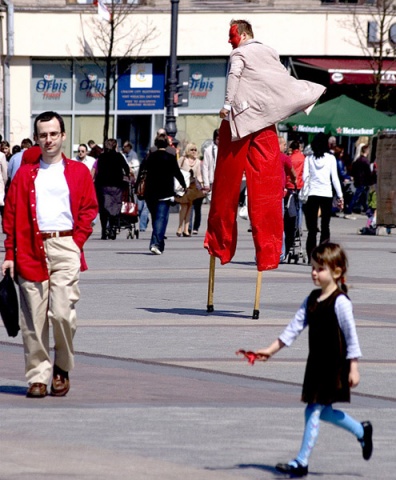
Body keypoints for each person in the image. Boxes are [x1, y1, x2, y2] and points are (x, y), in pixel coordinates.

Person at [204, 19, 325, 272]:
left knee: (226, 188)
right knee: (268, 189)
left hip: (239, 124)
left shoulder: (239, 53)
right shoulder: (270, 51)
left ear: (244, 34)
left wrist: (226, 105)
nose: (229, 41)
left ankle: (220, 245)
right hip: (265, 123)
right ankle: (269, 252)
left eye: (232, 35)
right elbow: (281, 79)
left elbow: (234, 76)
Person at [252, 243, 373, 477]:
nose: (314, 273)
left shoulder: (341, 302)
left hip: (334, 366)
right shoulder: (312, 300)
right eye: (313, 268)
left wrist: (354, 368)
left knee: (312, 410)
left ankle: (301, 461)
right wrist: (270, 350)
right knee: (323, 411)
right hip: (316, 365)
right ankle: (361, 430)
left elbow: (352, 337)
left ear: (336, 272)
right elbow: (293, 329)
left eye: (320, 269)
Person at [1, 110, 98, 398]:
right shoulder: (24, 175)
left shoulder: (78, 172)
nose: (49, 139)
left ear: (63, 136)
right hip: (30, 248)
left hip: (65, 245)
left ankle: (62, 368)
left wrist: (76, 241)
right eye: (43, 135)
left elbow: (89, 209)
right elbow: (11, 214)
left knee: (62, 313)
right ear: (37, 138)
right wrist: (9, 253)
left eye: (54, 134)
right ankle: (38, 376)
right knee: (33, 319)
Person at [137, 133, 186, 254]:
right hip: (165, 192)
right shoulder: (170, 157)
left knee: (156, 218)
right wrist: (184, 185)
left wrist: (136, 185)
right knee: (161, 218)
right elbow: (177, 173)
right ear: (168, 144)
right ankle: (156, 244)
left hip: (150, 192)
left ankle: (159, 243)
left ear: (156, 143)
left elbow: (141, 171)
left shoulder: (150, 157)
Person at [302, 133, 343, 261]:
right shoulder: (331, 159)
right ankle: (324, 255)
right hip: (326, 194)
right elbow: (335, 179)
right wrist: (340, 196)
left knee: (312, 228)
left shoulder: (309, 159)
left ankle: (311, 256)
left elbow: (305, 177)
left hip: (312, 194)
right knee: (325, 226)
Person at [95, 138, 130, 240]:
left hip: (103, 185)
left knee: (104, 208)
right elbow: (126, 168)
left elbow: (98, 170)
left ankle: (103, 230)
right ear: (115, 146)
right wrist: (127, 175)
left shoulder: (101, 157)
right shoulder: (118, 156)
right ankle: (112, 228)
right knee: (115, 206)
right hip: (116, 185)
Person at [176, 143, 203, 237]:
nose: (194, 151)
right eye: (192, 150)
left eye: (195, 150)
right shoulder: (182, 159)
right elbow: (176, 171)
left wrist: (202, 183)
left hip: (193, 186)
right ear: (188, 150)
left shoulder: (198, 162)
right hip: (183, 187)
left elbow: (199, 175)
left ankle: (186, 229)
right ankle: (180, 227)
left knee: (189, 207)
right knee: (183, 207)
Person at [349, 144, 372, 214]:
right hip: (363, 181)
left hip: (358, 180)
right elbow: (368, 172)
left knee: (363, 196)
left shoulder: (358, 160)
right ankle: (349, 208)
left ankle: (366, 208)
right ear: (366, 151)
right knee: (357, 196)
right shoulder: (366, 161)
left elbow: (353, 170)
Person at [202, 128, 219, 202]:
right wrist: (206, 183)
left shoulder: (226, 149)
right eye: (218, 139)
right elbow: (205, 167)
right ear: (215, 138)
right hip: (213, 181)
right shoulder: (208, 150)